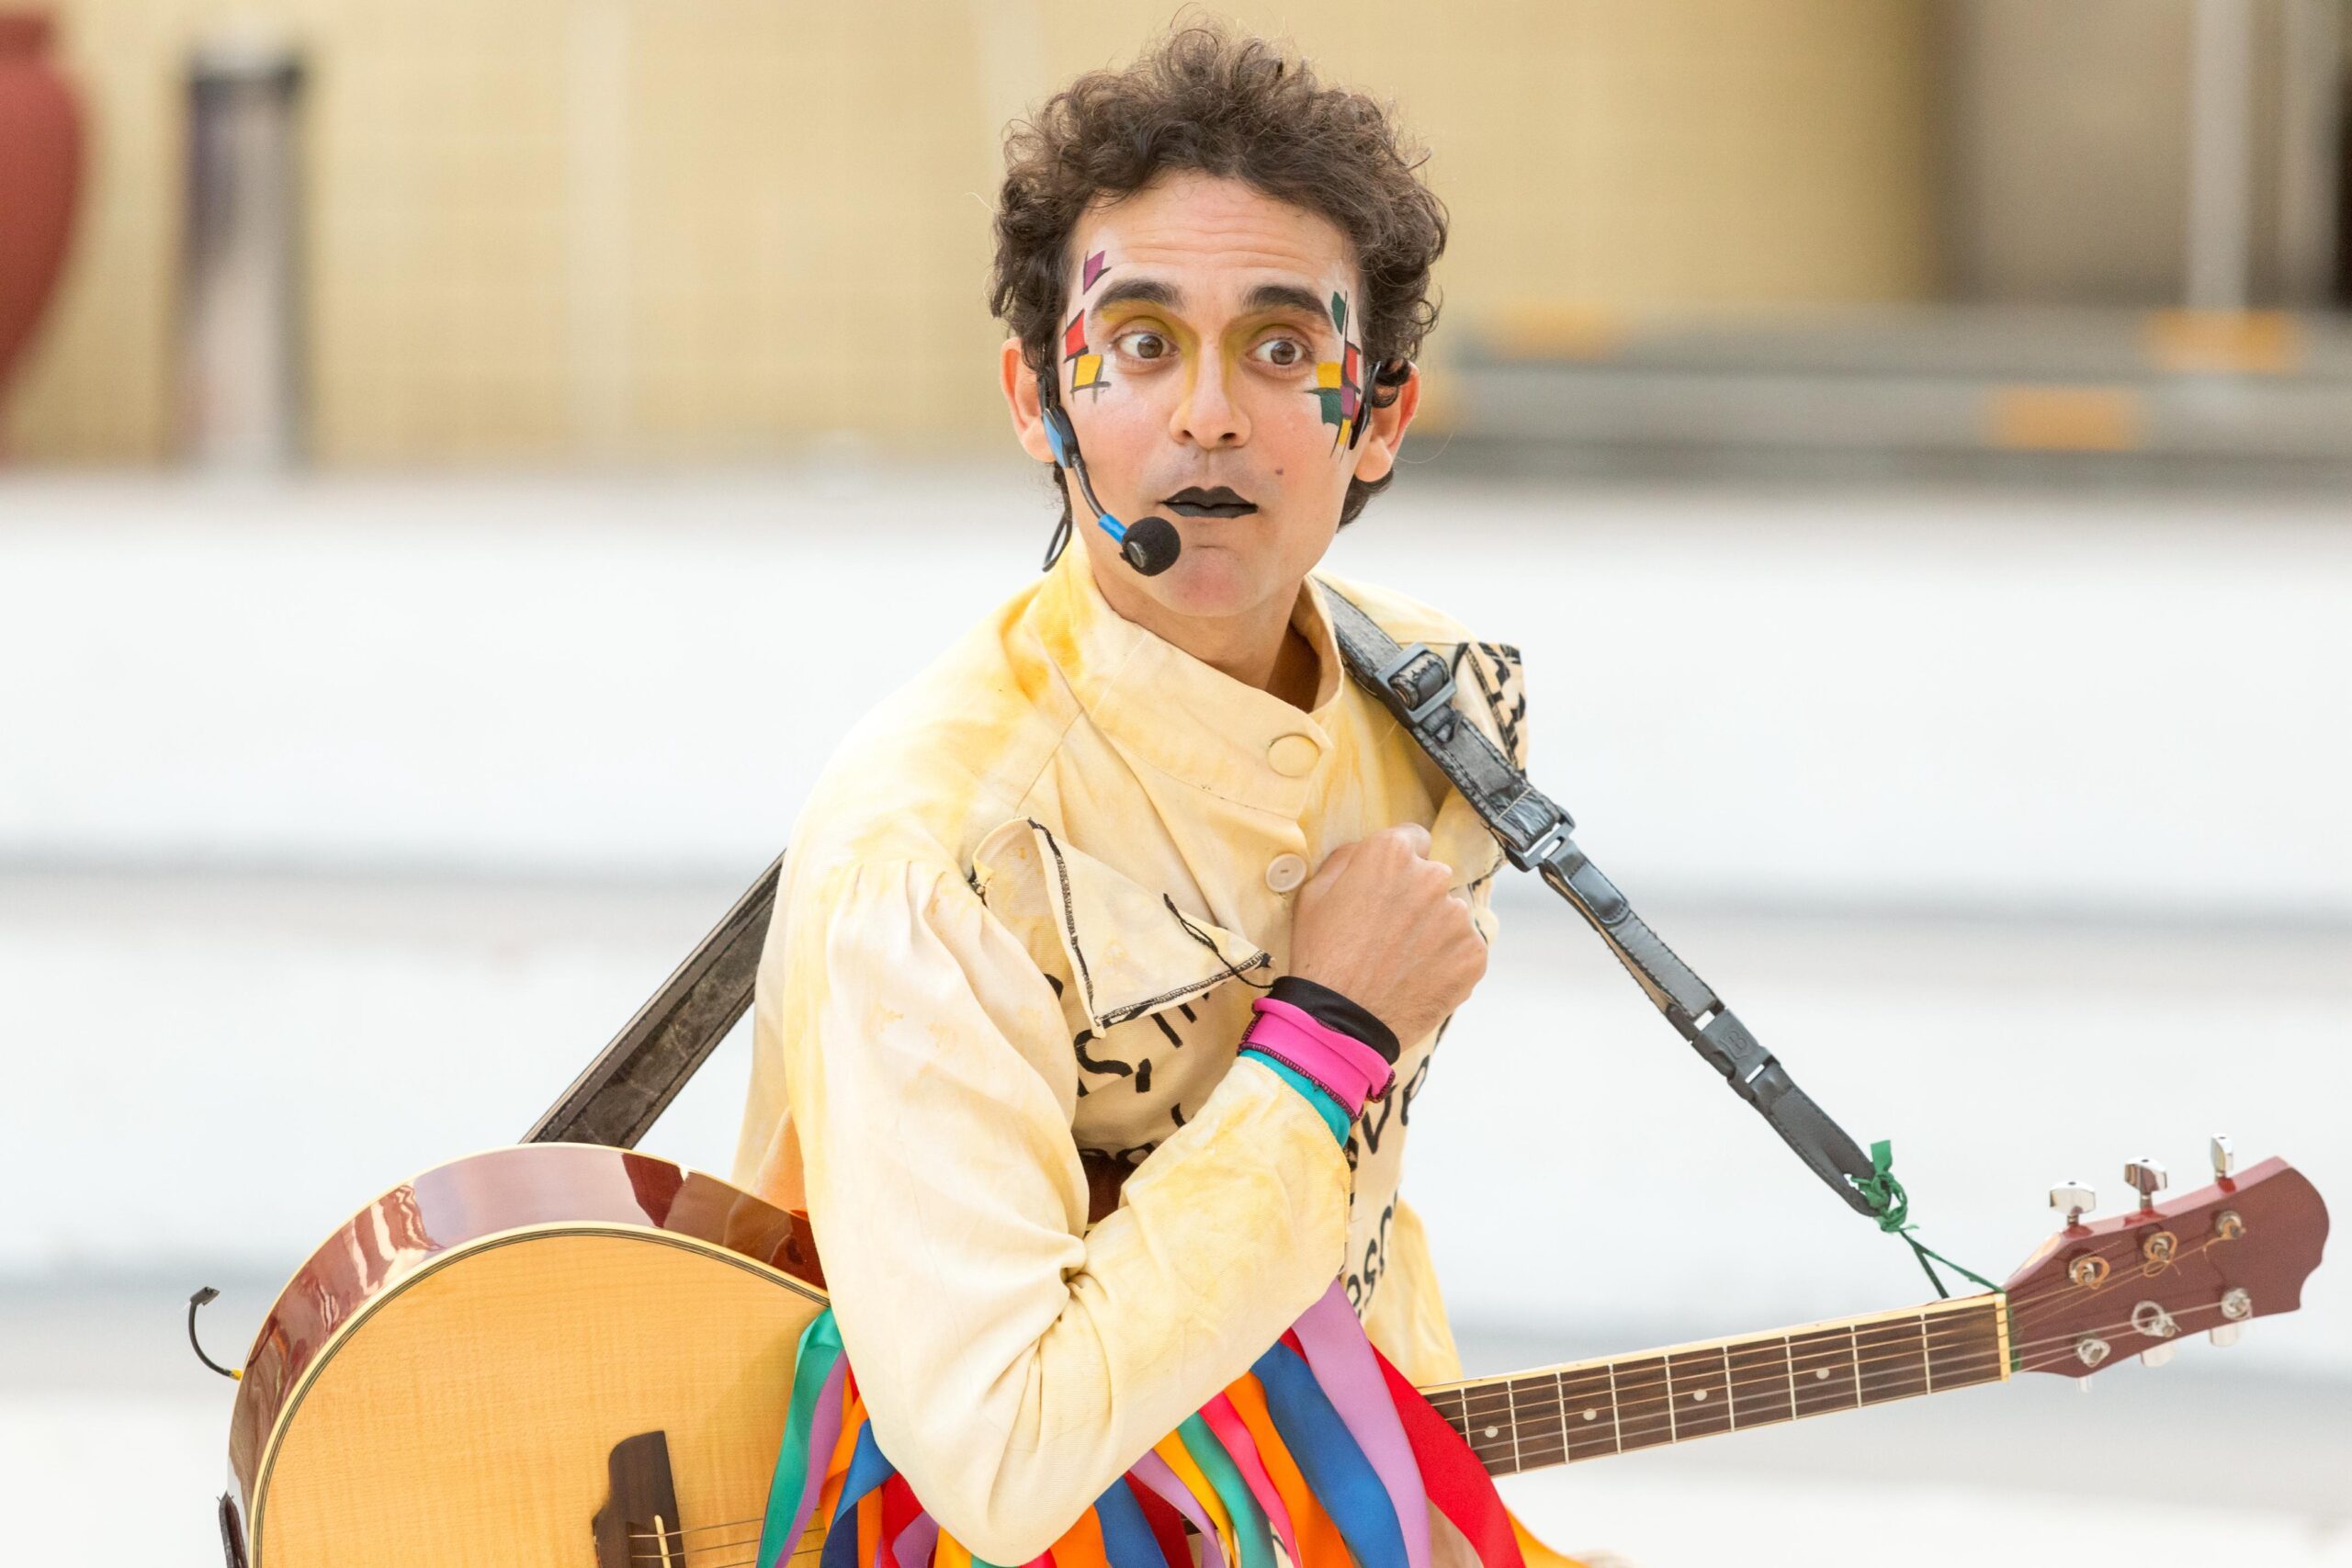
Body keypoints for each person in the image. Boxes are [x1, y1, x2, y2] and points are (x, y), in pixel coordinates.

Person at [732, 25, 1568, 1568]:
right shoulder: (931, 854)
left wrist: (1410, 1482)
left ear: (1377, 411)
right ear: (1039, 400)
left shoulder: (1439, 720)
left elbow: (1357, 1235)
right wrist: (1325, 1044)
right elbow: (998, 1452)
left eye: (1278, 348)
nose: (1207, 417)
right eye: (1137, 344)